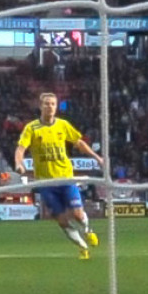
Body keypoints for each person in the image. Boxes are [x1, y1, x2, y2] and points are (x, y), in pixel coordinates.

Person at [14, 92, 104, 260]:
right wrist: (19, 163)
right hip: (46, 183)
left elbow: (79, 143)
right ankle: (83, 248)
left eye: (53, 104)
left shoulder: (62, 125)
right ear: (40, 106)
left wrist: (97, 158)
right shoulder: (31, 128)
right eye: (47, 104)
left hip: (66, 178)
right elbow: (20, 148)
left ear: (56, 107)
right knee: (62, 220)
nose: (50, 107)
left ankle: (87, 230)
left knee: (78, 214)